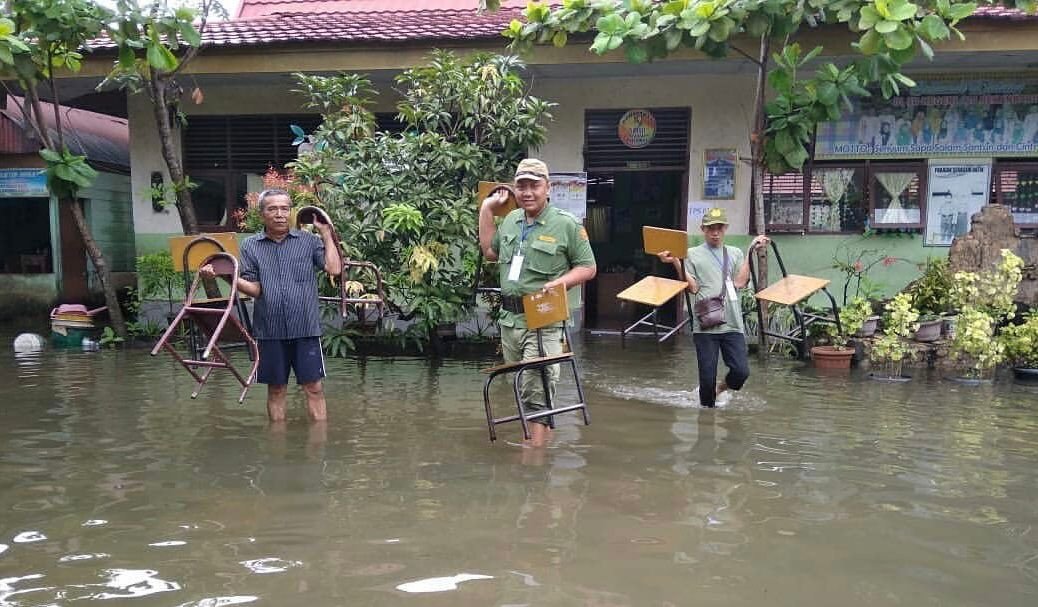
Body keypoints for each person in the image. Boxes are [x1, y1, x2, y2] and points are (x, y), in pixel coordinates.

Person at [478, 158, 597, 446]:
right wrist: (486, 209)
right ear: (514, 189)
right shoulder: (510, 221)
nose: (527, 192)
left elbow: (588, 267)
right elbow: (490, 252)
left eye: (534, 185)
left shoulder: (565, 224)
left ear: (548, 188)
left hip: (544, 316)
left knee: (536, 383)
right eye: (522, 186)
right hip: (510, 319)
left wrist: (561, 282)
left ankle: (533, 460)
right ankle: (542, 444)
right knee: (520, 383)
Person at [200, 189, 341, 422]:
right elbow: (255, 289)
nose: (279, 214)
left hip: (305, 328)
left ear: (291, 212)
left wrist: (326, 233)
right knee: (276, 389)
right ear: (262, 213)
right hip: (269, 329)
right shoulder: (251, 246)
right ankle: (277, 445)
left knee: (314, 388)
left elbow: (334, 269)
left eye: (284, 208)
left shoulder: (308, 241)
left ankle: (319, 446)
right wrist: (225, 276)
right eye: (272, 209)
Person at [657, 207, 768, 408]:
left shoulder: (734, 253)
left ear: (725, 228)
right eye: (710, 228)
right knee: (706, 380)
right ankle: (706, 424)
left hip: (732, 324)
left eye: (719, 228)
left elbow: (740, 282)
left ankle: (721, 389)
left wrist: (751, 250)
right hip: (705, 325)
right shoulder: (690, 254)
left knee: (741, 372)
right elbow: (692, 287)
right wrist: (675, 261)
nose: (715, 232)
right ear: (703, 229)